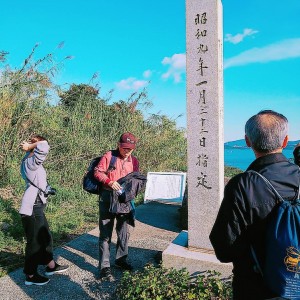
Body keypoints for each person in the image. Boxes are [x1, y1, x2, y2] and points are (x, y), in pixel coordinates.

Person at [209, 110, 300, 300]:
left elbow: (224, 249)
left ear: (247, 141)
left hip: (255, 286)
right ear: (285, 142)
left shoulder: (242, 185)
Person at [19, 134, 68, 286]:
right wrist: (31, 146)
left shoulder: (32, 161)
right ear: (33, 146)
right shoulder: (30, 160)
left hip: (37, 206)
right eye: (34, 145)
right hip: (32, 207)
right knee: (35, 242)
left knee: (45, 237)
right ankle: (30, 276)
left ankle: (51, 266)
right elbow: (44, 145)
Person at [94, 132, 141, 282]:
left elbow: (135, 179)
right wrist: (108, 181)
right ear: (119, 145)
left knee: (124, 232)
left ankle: (121, 259)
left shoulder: (134, 161)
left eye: (130, 148)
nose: (127, 151)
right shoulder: (109, 156)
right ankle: (104, 267)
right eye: (125, 148)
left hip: (124, 199)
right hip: (108, 197)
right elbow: (97, 172)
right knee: (105, 233)